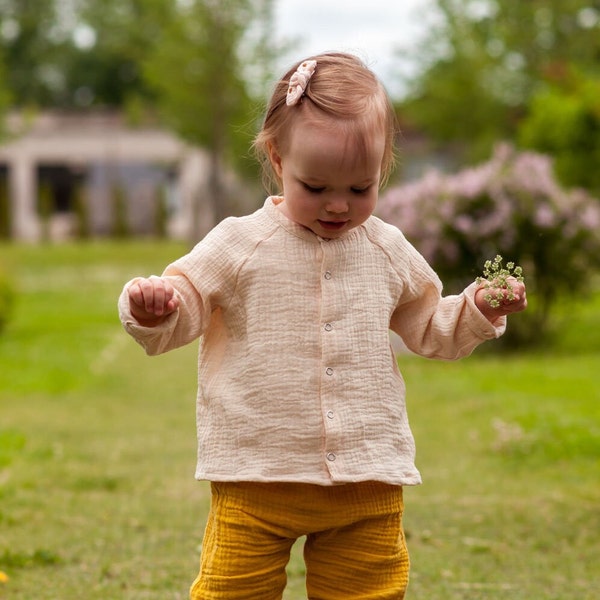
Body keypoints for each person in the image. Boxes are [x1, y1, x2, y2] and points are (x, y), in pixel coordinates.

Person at [118, 52, 527, 600]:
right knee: (231, 591)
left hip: (367, 481)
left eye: (361, 189)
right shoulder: (241, 242)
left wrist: (478, 306)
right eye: (317, 187)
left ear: (382, 169)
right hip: (256, 475)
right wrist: (155, 307)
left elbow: (431, 324)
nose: (339, 206)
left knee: (369, 592)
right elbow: (186, 299)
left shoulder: (386, 248)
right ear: (277, 158)